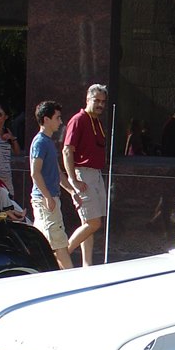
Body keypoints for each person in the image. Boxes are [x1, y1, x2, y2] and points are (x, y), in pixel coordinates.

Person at [62, 83, 109, 266]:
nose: (100, 105)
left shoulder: (96, 121)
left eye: (103, 102)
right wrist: (73, 179)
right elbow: (67, 151)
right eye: (96, 100)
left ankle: (87, 265)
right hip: (83, 175)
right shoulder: (78, 119)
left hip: (95, 174)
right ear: (87, 99)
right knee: (94, 223)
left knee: (88, 224)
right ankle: (62, 253)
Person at [30, 100, 74, 270]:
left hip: (48, 199)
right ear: (46, 119)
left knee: (47, 243)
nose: (60, 122)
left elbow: (56, 172)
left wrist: (71, 191)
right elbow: (35, 172)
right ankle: (70, 279)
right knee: (59, 243)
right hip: (45, 200)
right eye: (57, 118)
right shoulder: (41, 142)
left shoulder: (47, 142)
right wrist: (48, 197)